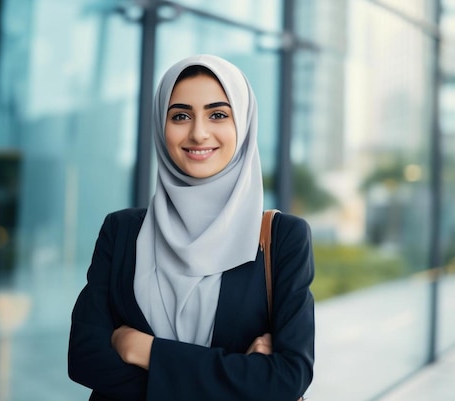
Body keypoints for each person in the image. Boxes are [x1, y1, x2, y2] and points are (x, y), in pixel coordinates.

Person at [68, 54, 315, 400]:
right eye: (181, 116)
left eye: (218, 114)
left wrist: (145, 351)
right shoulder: (121, 231)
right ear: (160, 125)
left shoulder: (282, 238)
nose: (199, 133)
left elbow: (288, 377)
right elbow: (84, 359)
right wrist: (236, 379)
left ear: (242, 124)